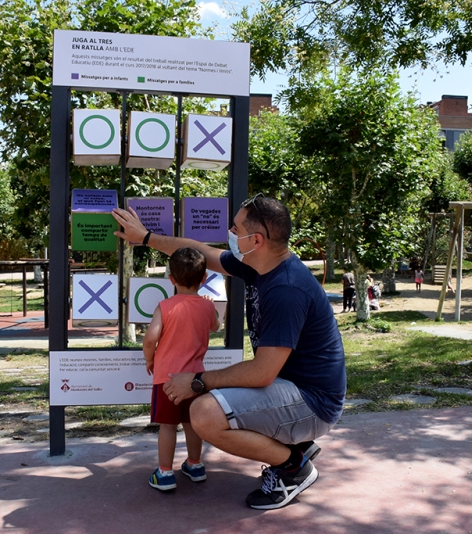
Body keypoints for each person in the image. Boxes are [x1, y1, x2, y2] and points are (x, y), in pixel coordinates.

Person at [113, 194, 346, 510]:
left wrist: (197, 381)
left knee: (204, 413)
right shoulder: (259, 265)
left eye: (236, 228)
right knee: (217, 399)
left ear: (257, 240)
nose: (231, 233)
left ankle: (293, 466)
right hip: (290, 387)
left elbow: (261, 372)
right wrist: (147, 238)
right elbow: (201, 252)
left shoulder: (286, 289)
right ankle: (296, 442)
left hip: (312, 402)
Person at [143, 247, 221, 492]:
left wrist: (149, 359)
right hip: (196, 380)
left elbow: (150, 338)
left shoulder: (165, 307)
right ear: (204, 279)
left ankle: (165, 474)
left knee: (167, 426)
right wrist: (211, 307)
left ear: (171, 279)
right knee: (192, 424)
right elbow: (216, 326)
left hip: (166, 378)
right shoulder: (207, 307)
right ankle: (195, 465)